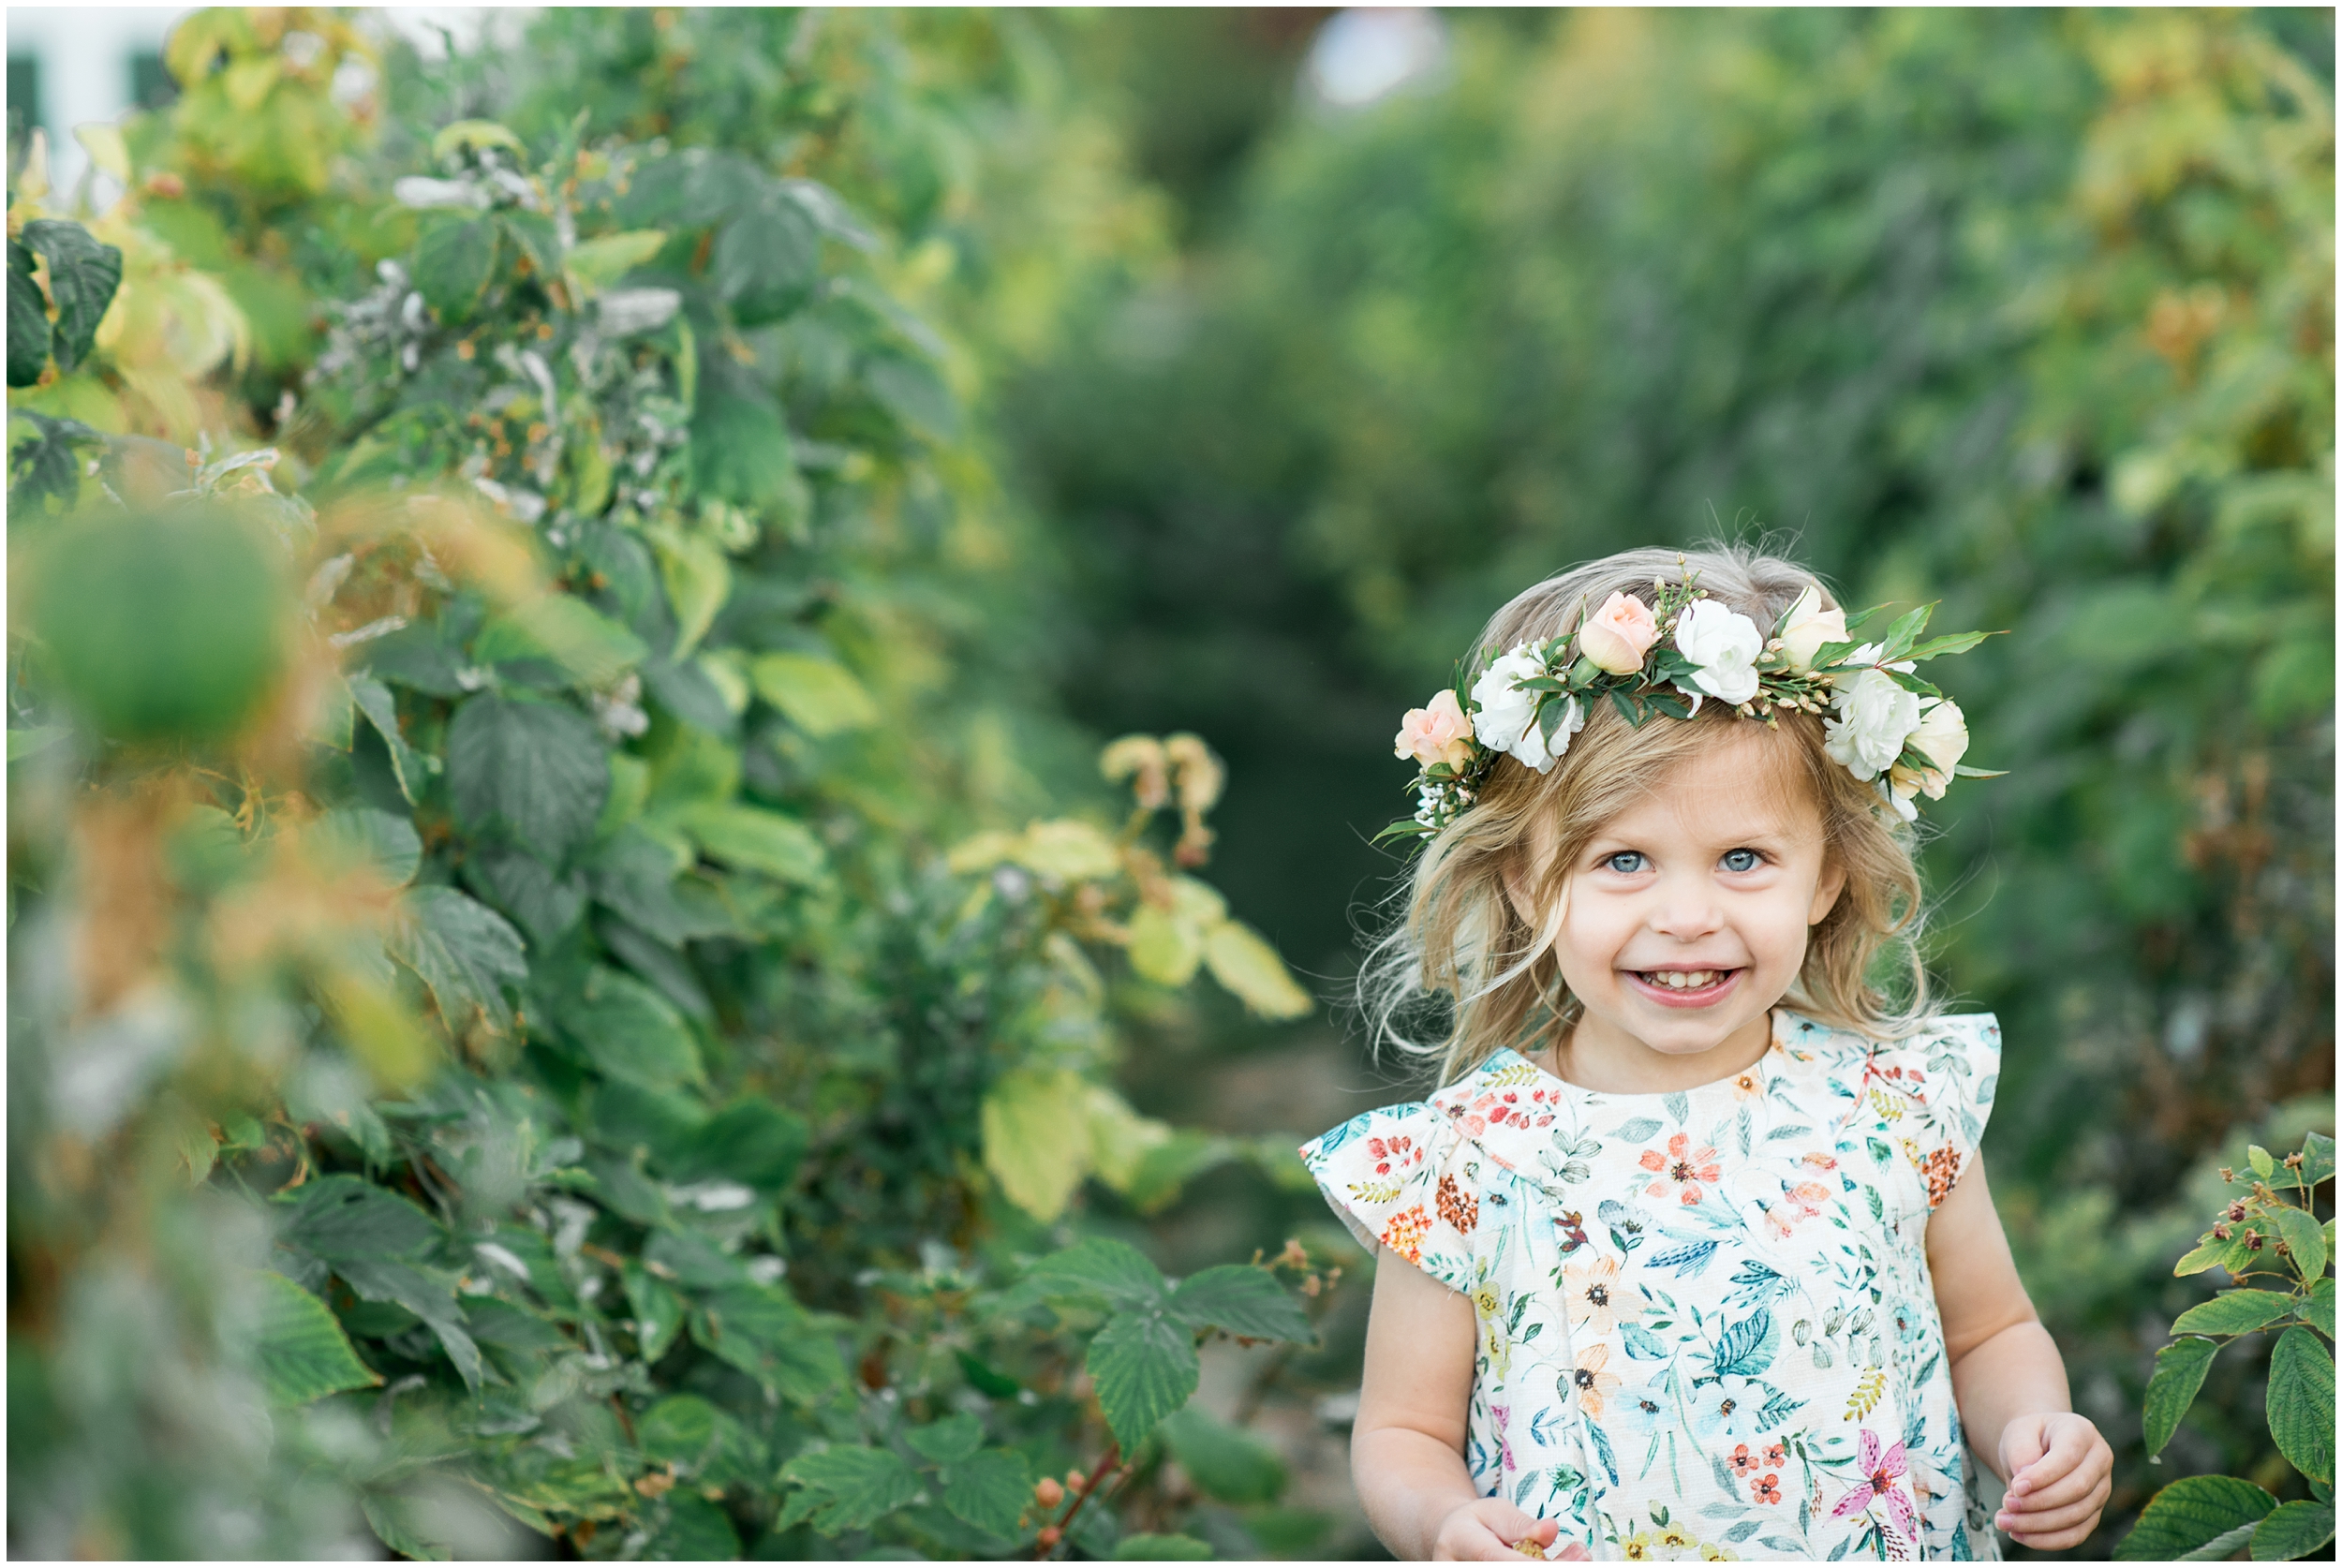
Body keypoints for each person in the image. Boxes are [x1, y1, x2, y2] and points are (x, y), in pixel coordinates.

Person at [1304, 545, 2112, 1561]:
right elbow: (1402, 1432)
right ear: (1522, 879)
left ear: (1824, 876)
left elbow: (1987, 1333)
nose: (1686, 917)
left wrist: (2033, 1432)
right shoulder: (1467, 1159)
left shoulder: (1897, 1102)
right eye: (1623, 861)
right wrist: (1444, 1522)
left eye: (1742, 859)